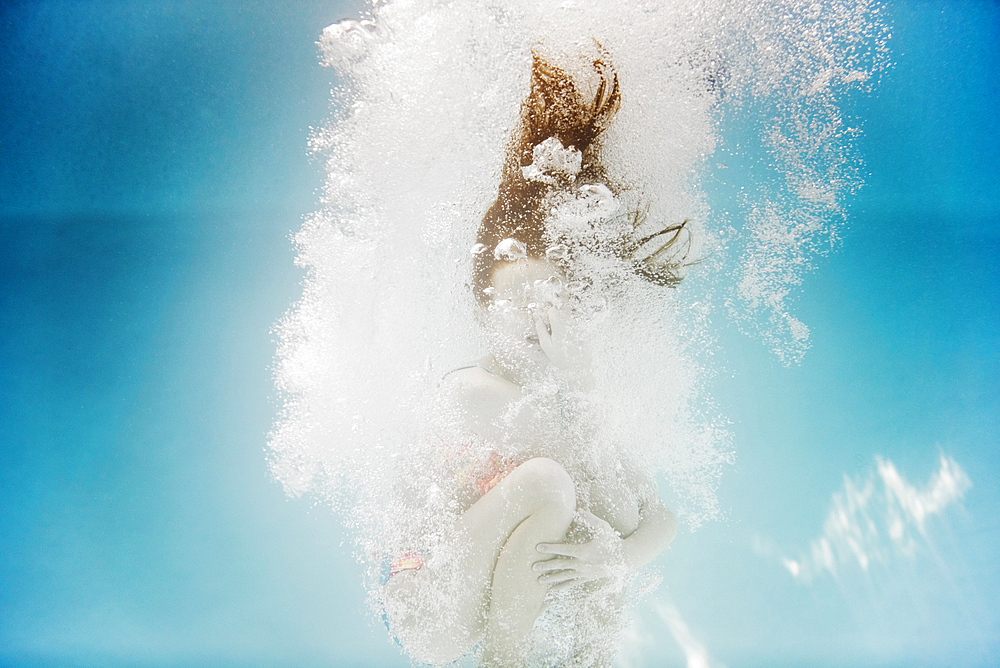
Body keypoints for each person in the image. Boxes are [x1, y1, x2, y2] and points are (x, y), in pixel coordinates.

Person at [382, 45, 681, 668]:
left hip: (489, 588)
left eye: (547, 304)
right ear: (478, 309)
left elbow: (656, 516)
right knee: (554, 482)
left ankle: (587, 663)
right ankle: (505, 661)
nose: (529, 324)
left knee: (602, 533)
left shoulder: (559, 403)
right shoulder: (469, 392)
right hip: (429, 606)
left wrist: (620, 557)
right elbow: (586, 471)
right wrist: (581, 382)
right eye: (509, 304)